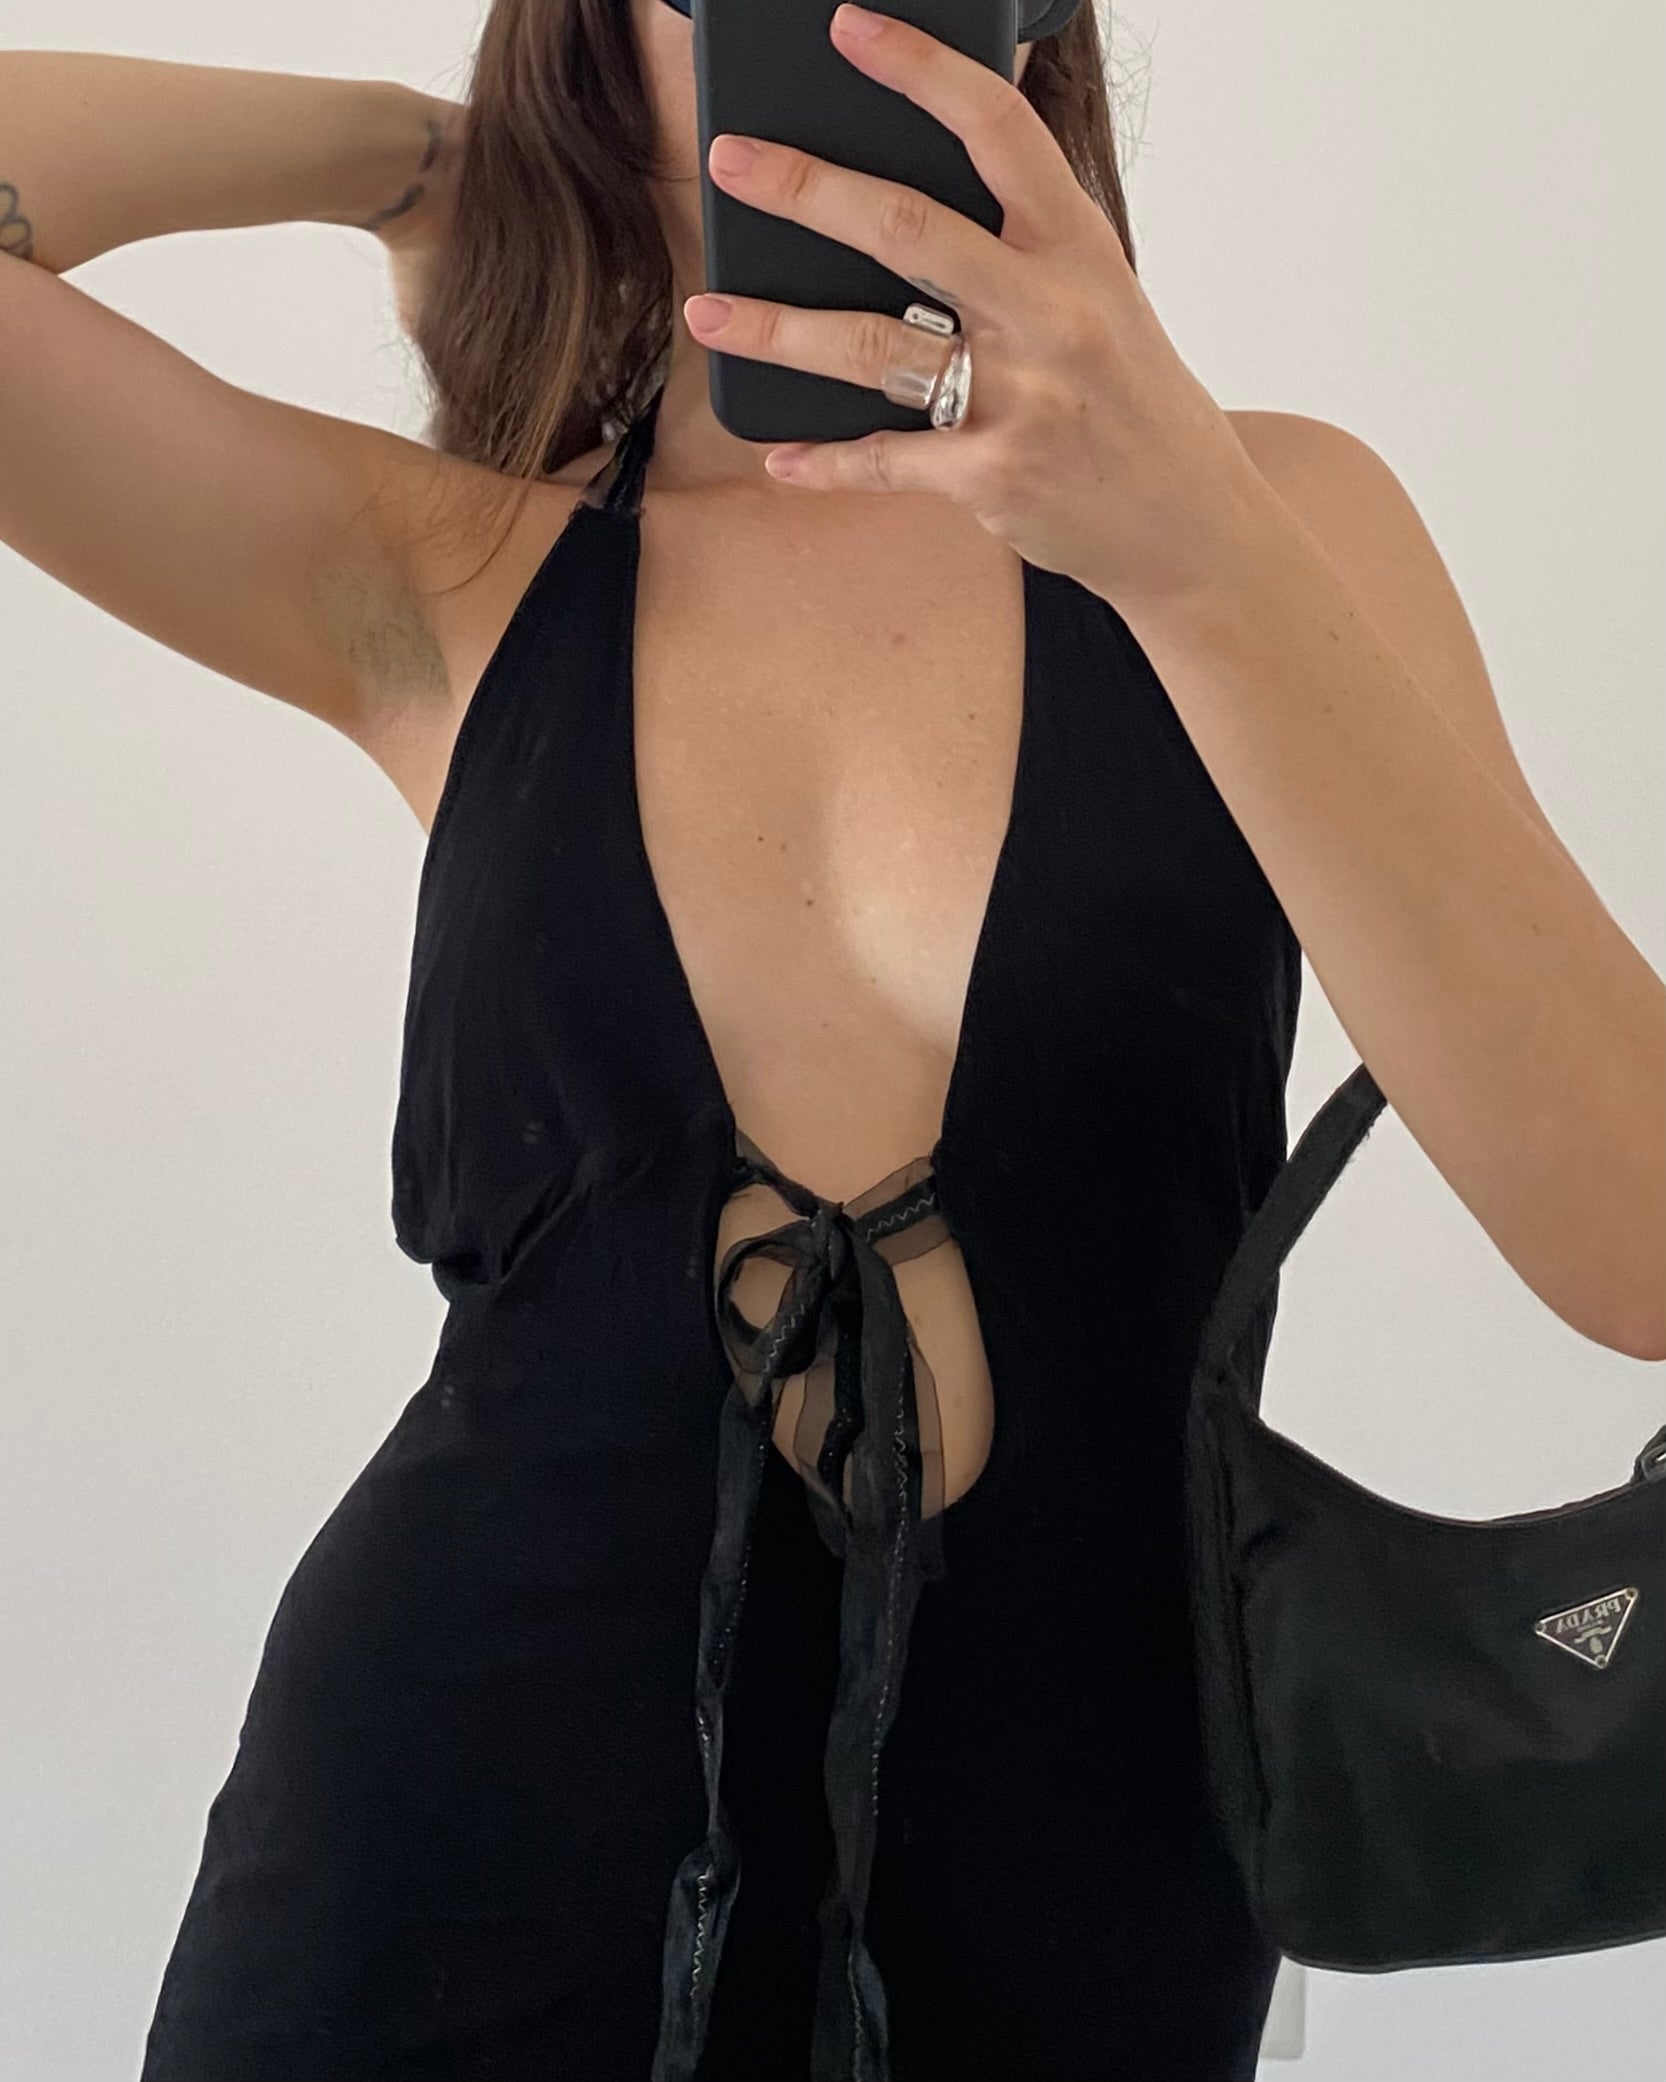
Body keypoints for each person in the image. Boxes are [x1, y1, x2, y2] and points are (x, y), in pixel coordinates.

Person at [8, 3, 1661, 2078]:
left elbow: (1634, 1248)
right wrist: (424, 160)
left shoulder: (1276, 526)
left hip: (1095, 1874)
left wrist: (1187, 544)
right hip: (441, 1855)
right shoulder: (461, 568)